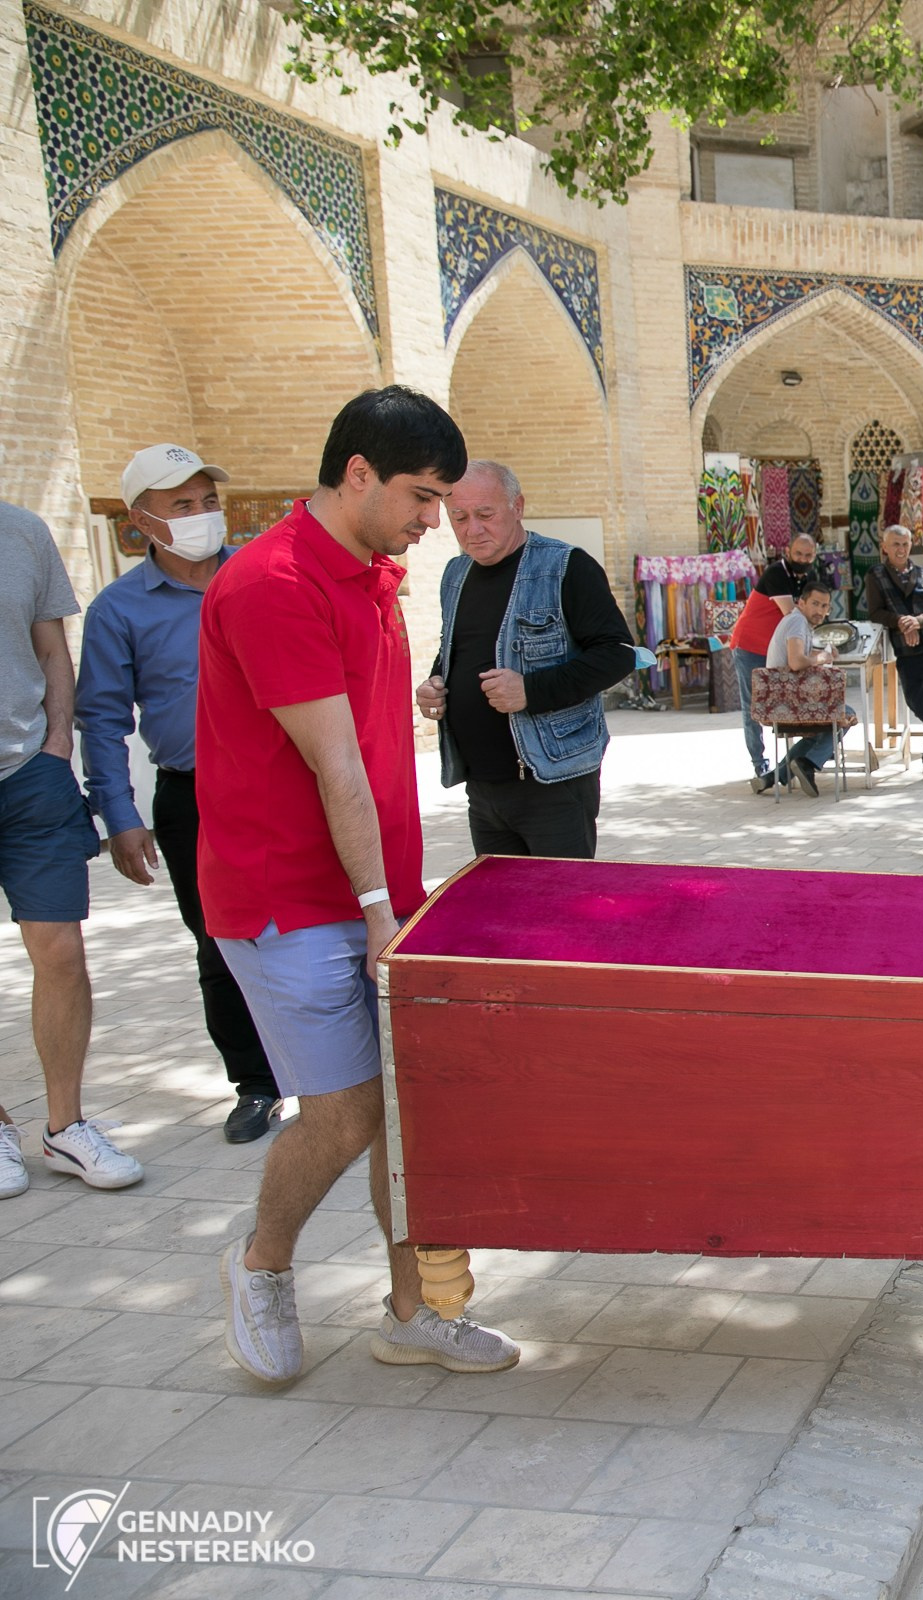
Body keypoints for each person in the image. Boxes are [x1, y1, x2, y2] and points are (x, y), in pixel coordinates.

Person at [200, 386, 520, 1382]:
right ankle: (260, 1261)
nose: (436, 525)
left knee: (407, 1110)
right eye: (424, 500)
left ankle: (413, 1308)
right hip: (286, 901)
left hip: (375, 890)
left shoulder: (369, 573)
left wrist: (399, 894)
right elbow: (334, 768)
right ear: (357, 476)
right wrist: (382, 909)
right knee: (343, 1114)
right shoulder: (274, 585)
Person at [77, 445, 279, 1145]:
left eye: (208, 502)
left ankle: (336, 1072)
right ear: (141, 522)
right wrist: (120, 817)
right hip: (193, 799)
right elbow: (101, 718)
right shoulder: (117, 611)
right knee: (221, 944)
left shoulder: (263, 575)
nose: (202, 517)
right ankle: (256, 1084)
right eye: (182, 506)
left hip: (288, 786)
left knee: (318, 927)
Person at [0, 496, 133, 1199]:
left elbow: (52, 647)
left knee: (61, 952)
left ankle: (63, 1127)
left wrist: (57, 745)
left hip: (29, 778)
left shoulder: (22, 532)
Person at [415, 461, 635, 859]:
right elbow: (458, 648)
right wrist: (436, 684)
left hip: (552, 780)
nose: (472, 529)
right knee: (503, 911)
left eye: (485, 514)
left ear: (517, 506)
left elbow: (617, 655)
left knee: (561, 909)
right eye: (459, 517)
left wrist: (530, 691)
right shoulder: (455, 573)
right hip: (481, 785)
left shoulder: (567, 567)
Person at [859, 524, 923, 782]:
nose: (901, 549)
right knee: (919, 702)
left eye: (905, 544)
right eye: (895, 544)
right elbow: (876, 612)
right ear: (885, 547)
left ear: (910, 545)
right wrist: (902, 621)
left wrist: (918, 621)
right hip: (907, 652)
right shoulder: (876, 575)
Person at [761, 577, 858, 795]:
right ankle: (809, 764)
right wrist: (821, 657)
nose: (820, 610)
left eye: (824, 606)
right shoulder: (796, 622)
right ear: (801, 603)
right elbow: (796, 662)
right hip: (784, 704)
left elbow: (796, 657)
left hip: (782, 701)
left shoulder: (799, 623)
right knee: (844, 714)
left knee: (823, 728)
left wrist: (818, 655)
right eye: (815, 603)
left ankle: (774, 776)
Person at [726, 542, 804, 791]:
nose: (803, 558)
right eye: (799, 553)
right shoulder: (776, 573)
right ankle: (760, 763)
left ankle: (798, 758)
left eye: (808, 554)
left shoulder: (805, 576)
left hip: (778, 647)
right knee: (753, 707)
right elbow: (791, 612)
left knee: (795, 699)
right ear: (788, 552)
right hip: (751, 645)